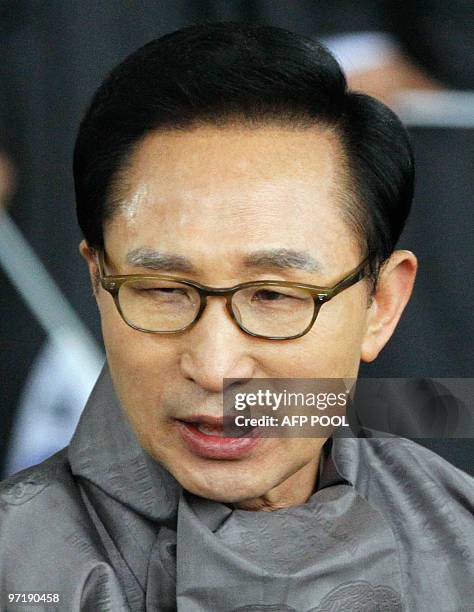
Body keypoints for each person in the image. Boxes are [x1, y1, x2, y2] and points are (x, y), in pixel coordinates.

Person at [0, 22, 472, 611]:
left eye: (274, 296)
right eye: (163, 289)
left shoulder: (460, 533)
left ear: (381, 305)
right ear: (98, 282)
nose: (216, 366)